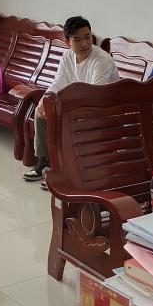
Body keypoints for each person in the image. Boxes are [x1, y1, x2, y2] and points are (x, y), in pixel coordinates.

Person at [22, 16, 119, 184]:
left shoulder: (102, 60)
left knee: (65, 118)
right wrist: (44, 101)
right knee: (42, 111)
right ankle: (44, 162)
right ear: (68, 42)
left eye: (88, 37)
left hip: (103, 111)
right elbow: (58, 83)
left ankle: (65, 171)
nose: (85, 44)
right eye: (78, 39)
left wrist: (64, 109)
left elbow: (93, 95)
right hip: (80, 106)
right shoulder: (67, 57)